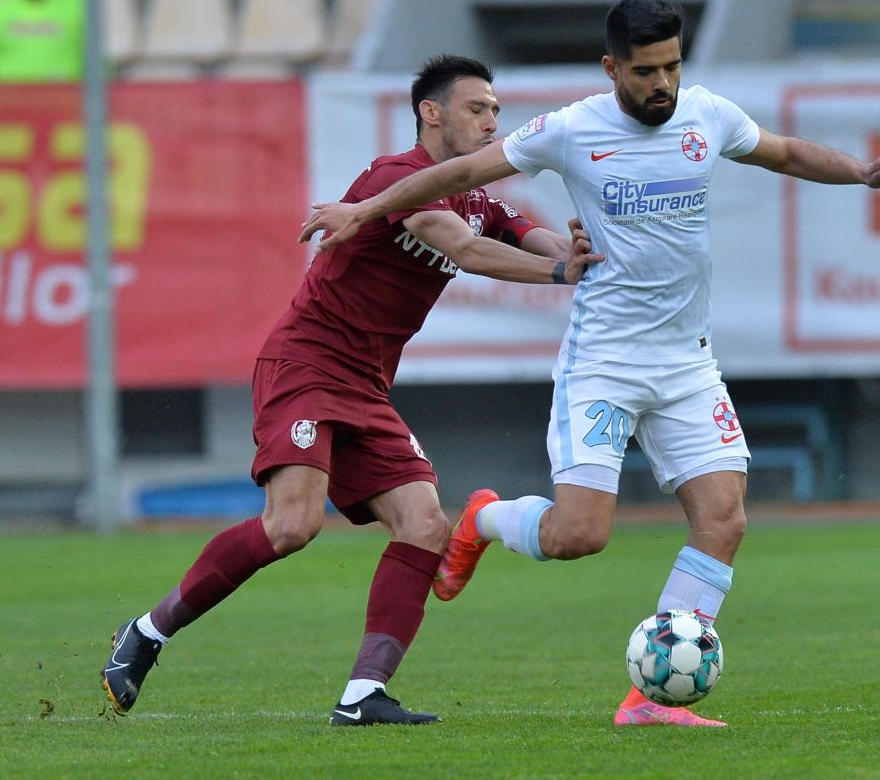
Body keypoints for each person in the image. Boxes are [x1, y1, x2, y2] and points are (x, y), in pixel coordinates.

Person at [298, 0, 880, 727]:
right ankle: (485, 520)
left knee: (724, 519)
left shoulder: (707, 115)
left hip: (687, 363)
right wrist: (365, 210)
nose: (663, 84)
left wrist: (859, 172)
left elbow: (782, 151)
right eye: (647, 71)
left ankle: (650, 699)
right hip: (604, 362)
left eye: (672, 67)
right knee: (578, 536)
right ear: (612, 68)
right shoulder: (572, 129)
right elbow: (455, 179)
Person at [101, 55, 602, 726]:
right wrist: (559, 274)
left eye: (495, 111)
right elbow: (469, 250)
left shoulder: (476, 194)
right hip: (306, 361)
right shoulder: (397, 179)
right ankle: (146, 632)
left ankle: (363, 694)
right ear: (432, 112)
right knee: (293, 524)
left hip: (365, 384)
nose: (492, 121)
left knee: (425, 524)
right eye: (478, 108)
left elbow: (522, 231)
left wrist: (582, 248)